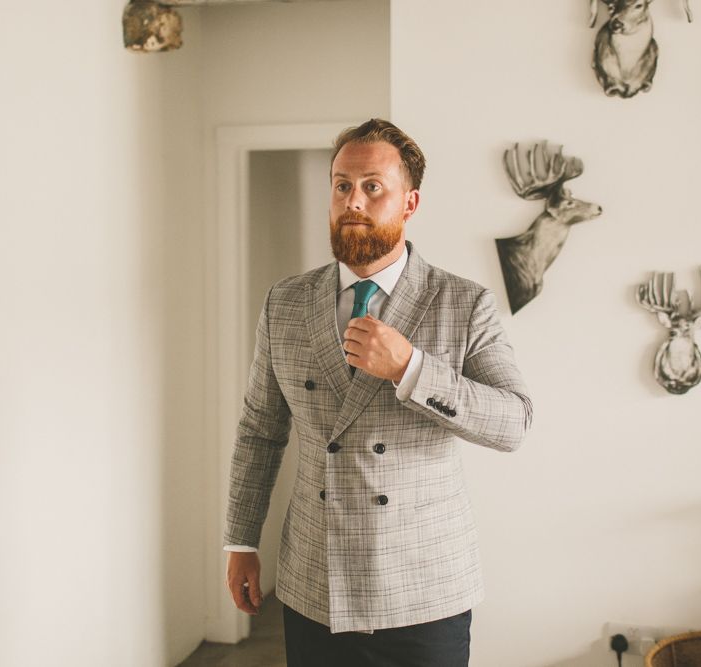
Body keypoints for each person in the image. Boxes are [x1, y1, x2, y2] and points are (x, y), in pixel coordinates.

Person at [224, 118, 533, 667]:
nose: (353, 201)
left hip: (426, 592)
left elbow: (513, 423)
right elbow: (260, 430)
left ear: (409, 203)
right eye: (342, 185)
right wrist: (241, 541)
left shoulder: (464, 304)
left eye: (372, 186)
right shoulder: (286, 303)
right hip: (316, 582)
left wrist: (412, 368)